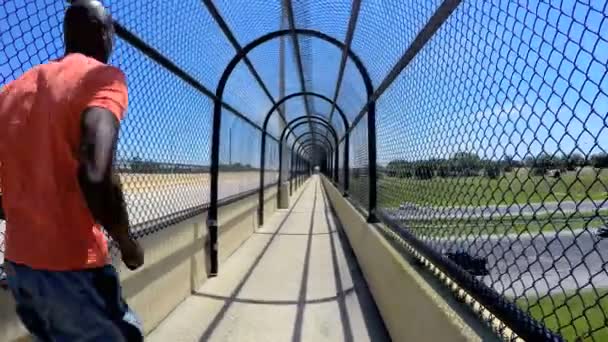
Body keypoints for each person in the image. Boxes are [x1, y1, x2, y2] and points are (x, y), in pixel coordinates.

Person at [0, 0, 145, 340]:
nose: (112, 42)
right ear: (102, 32)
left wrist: (17, 208)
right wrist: (127, 244)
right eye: (112, 33)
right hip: (73, 265)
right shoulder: (102, 77)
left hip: (20, 265)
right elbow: (97, 172)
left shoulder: (12, 90)